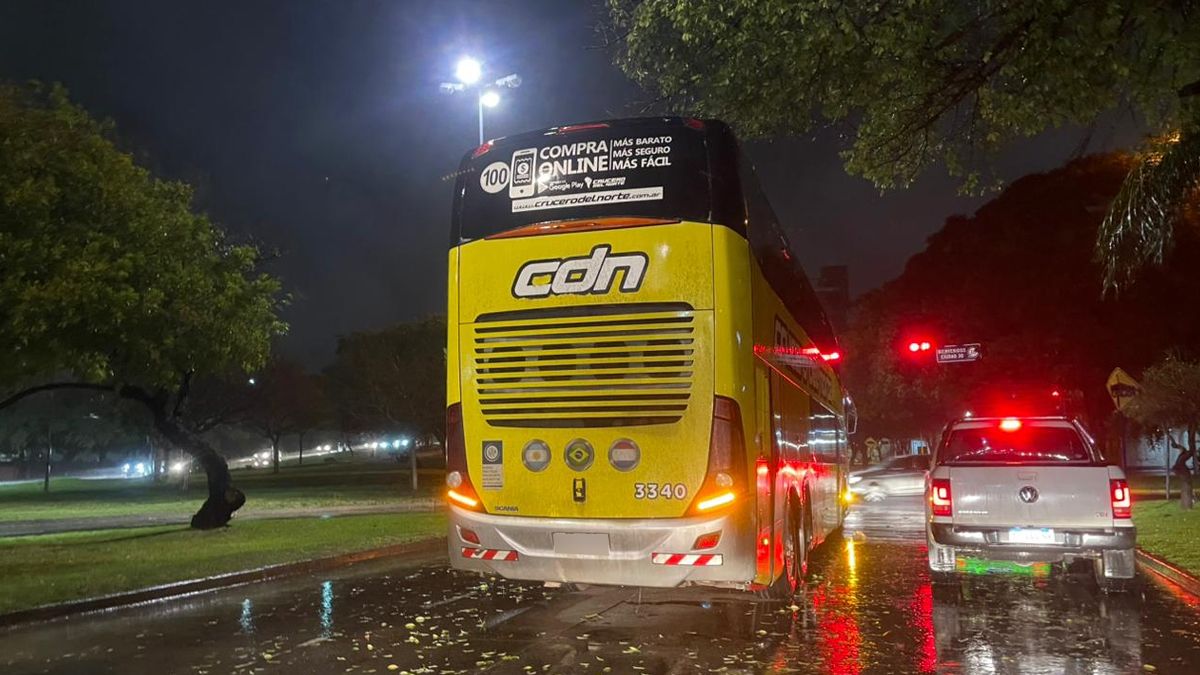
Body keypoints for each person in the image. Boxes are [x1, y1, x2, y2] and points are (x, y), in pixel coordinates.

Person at [1169, 434, 1195, 510]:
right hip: (1181, 471)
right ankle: (1186, 503)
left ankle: (1188, 503)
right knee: (1185, 483)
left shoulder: (1182, 457)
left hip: (1182, 471)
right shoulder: (1181, 457)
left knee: (1186, 484)